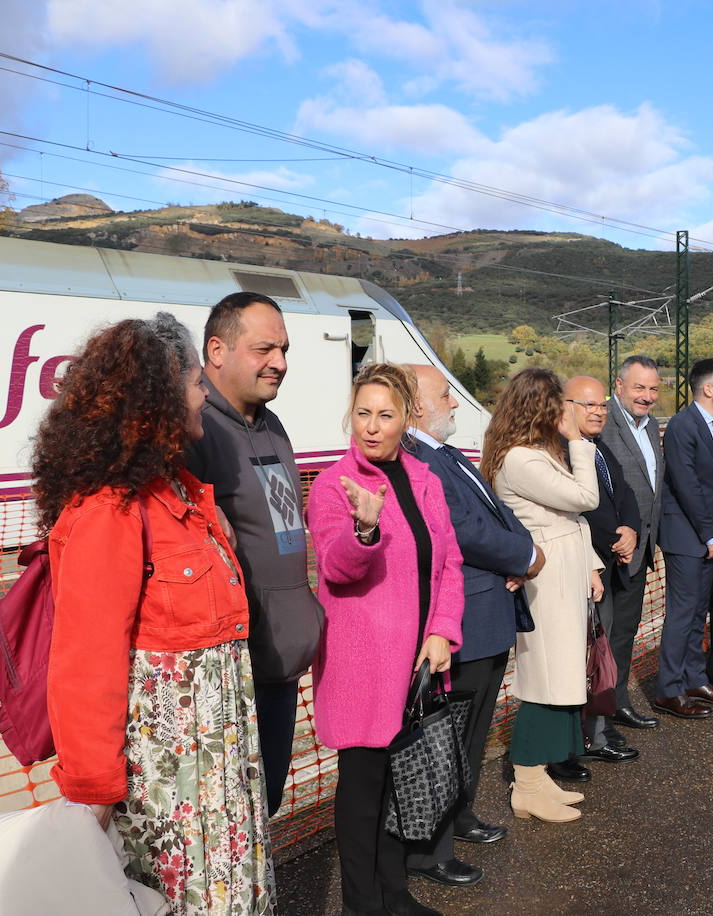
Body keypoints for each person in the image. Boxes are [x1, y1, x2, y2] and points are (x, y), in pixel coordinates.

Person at [35, 312, 273, 914]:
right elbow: (86, 664)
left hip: (217, 774)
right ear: (160, 395)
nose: (204, 394)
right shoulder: (108, 511)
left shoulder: (181, 495)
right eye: (196, 381)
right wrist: (93, 797)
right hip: (171, 791)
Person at [308, 363, 464, 916]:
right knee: (363, 791)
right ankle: (362, 905)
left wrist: (444, 629)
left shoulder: (425, 479)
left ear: (406, 419)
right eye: (362, 414)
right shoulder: (334, 485)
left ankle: (395, 894)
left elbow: (448, 564)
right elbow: (336, 568)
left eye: (385, 415)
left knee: (402, 786)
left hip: (419, 659)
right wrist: (365, 531)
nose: (371, 427)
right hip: (363, 665)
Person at [403, 364, 543, 888]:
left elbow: (495, 514)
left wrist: (519, 549)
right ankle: (430, 848)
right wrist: (525, 555)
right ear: (417, 405)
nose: (455, 402)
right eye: (445, 395)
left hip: (486, 610)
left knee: (474, 729)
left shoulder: (441, 454)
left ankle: (460, 816)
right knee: (447, 732)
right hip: (463, 617)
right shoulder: (419, 458)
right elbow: (461, 530)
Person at [185, 291, 323, 819]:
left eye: (284, 349)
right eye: (264, 348)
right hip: (230, 670)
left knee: (262, 809)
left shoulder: (271, 424)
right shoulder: (197, 429)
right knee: (227, 820)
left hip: (279, 661)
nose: (280, 363)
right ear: (216, 350)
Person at [481, 368, 603, 823]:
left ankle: (539, 774)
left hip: (565, 571)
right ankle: (527, 781)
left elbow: (573, 520)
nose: (568, 414)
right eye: (561, 405)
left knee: (562, 672)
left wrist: (591, 564)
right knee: (545, 676)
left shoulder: (534, 453)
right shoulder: (520, 460)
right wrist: (578, 442)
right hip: (546, 579)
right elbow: (584, 498)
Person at [564, 376, 643, 763]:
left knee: (603, 653)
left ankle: (597, 733)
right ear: (566, 406)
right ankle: (582, 738)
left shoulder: (599, 447)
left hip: (611, 564)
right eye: (588, 405)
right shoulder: (563, 451)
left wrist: (630, 529)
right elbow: (582, 507)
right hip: (584, 567)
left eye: (602, 405)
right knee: (586, 657)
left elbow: (623, 492)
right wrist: (616, 536)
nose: (598, 412)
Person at [653, 358, 713, 719]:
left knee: (696, 612)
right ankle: (669, 690)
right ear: (708, 389)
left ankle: (693, 680)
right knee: (681, 614)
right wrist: (709, 533)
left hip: (710, 536)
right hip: (686, 537)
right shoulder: (681, 427)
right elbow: (687, 487)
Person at [598, 355, 666, 731]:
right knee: (602, 638)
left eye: (653, 388)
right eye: (639, 387)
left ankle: (616, 703)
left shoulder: (650, 423)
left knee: (625, 632)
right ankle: (596, 720)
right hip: (610, 549)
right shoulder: (603, 420)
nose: (647, 396)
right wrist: (617, 534)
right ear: (619, 385)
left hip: (641, 550)